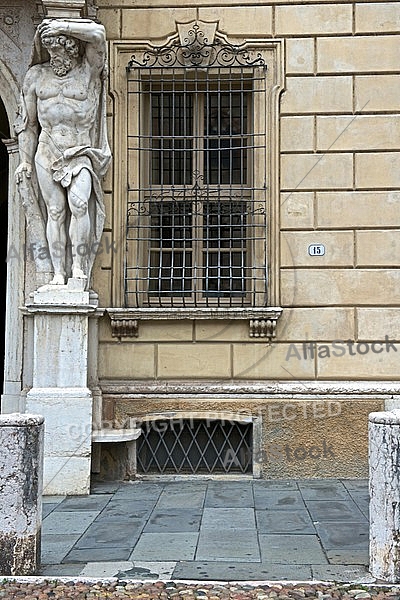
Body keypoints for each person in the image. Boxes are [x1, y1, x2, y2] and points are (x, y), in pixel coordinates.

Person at [15, 18, 111, 286]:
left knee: (79, 205)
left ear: (73, 48)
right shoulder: (35, 76)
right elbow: (29, 124)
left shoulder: (88, 71)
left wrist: (62, 26)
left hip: (79, 150)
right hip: (47, 149)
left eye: (61, 50)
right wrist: (24, 161)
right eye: (51, 51)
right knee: (55, 212)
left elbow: (98, 34)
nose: (55, 57)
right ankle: (59, 273)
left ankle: (78, 267)